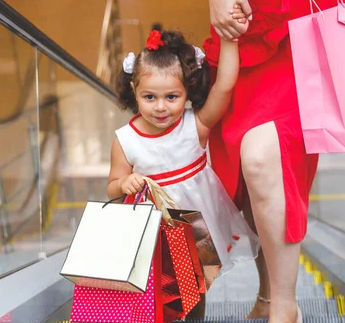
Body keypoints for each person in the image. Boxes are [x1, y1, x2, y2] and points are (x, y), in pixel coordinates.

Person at [184, 0, 345, 323]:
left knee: (264, 157)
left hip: (306, 13)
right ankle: (266, 292)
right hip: (241, 22)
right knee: (246, 168)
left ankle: (284, 306)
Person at [107, 29, 259, 280]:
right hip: (153, 225)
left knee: (198, 282)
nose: (160, 106)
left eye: (172, 96)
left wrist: (229, 38)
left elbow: (224, 86)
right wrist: (124, 183)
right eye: (149, 97)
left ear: (187, 92)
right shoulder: (125, 140)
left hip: (197, 221)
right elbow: (112, 188)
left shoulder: (195, 126)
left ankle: (194, 321)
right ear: (134, 90)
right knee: (160, 282)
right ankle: (164, 320)